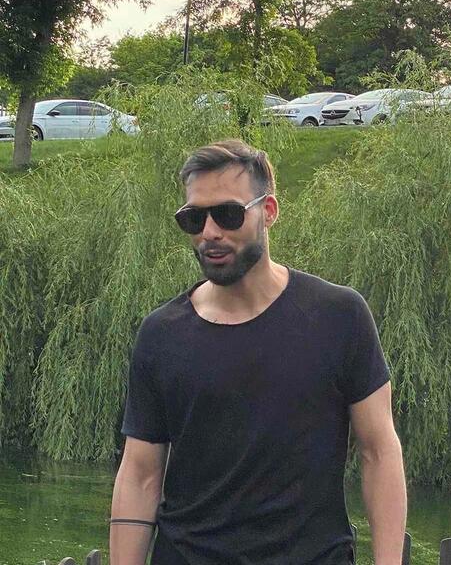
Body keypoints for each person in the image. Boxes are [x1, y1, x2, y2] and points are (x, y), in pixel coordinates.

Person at [110, 139, 407, 565]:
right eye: (194, 218)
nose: (210, 232)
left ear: (268, 211)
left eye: (228, 214)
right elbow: (140, 474)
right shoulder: (161, 335)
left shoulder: (339, 316)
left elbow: (379, 451)